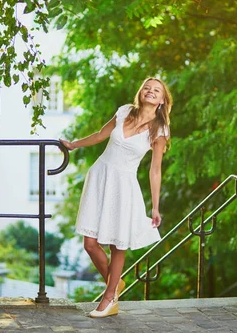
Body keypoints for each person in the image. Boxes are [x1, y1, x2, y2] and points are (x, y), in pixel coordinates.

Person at [59, 77, 172, 318]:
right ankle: (115, 282)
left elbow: (155, 169)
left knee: (117, 243)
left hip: (124, 185)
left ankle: (109, 299)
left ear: (162, 100)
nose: (150, 92)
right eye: (147, 88)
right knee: (90, 242)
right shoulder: (124, 112)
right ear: (141, 92)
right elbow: (101, 134)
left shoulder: (159, 129)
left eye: (156, 91)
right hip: (100, 177)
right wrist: (74, 145)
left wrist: (155, 206)